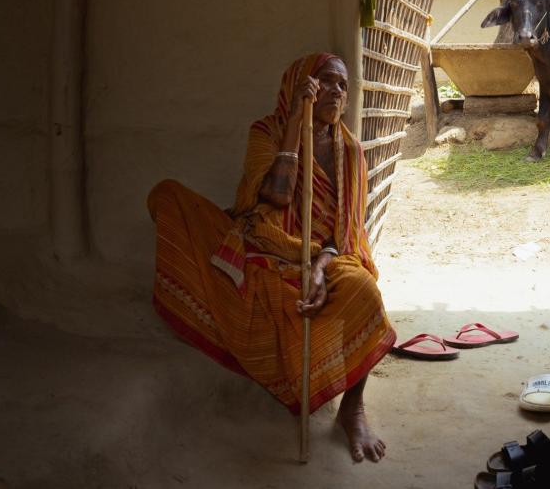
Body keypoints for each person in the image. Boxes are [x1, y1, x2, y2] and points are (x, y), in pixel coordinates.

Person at [147, 53, 394, 462]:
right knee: (170, 195)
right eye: (326, 82)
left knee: (364, 291)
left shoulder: (349, 150)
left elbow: (345, 235)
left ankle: (354, 409)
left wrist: (318, 266)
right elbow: (273, 197)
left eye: (343, 86)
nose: (337, 91)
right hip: (264, 241)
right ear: (299, 87)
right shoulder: (268, 131)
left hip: (322, 256)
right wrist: (296, 123)